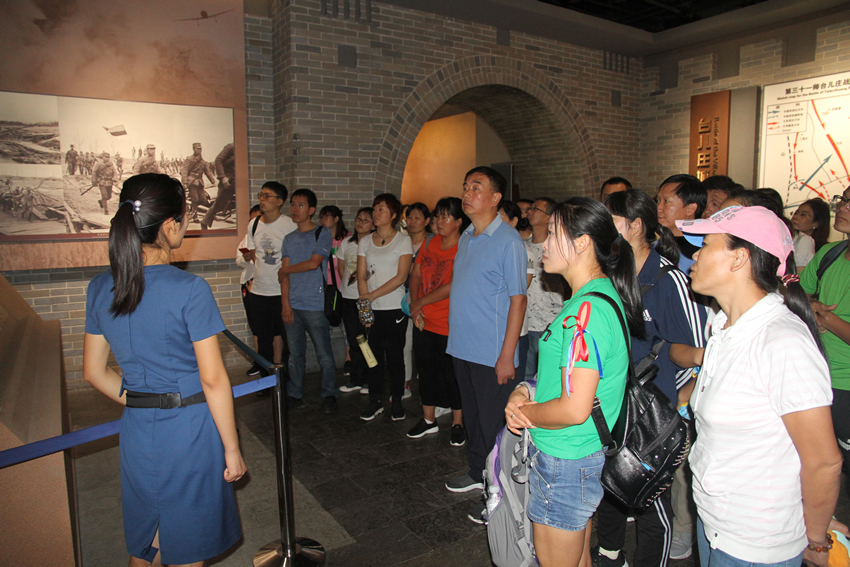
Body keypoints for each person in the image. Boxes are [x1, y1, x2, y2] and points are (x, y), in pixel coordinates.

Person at [83, 173, 246, 566]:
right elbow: (212, 379)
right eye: (185, 216)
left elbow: (93, 371)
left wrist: (140, 399)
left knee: (149, 541)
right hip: (189, 431)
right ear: (170, 225)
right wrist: (232, 448)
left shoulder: (100, 287)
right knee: (188, 546)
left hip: (138, 430)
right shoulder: (189, 289)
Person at [677, 206, 841, 566]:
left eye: (705, 245)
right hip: (715, 523)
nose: (695, 256)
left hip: (755, 542)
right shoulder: (723, 326)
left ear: (739, 258)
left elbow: (823, 461)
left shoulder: (782, 341)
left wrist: (816, 539)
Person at [505, 197, 642, 567]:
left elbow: (574, 408)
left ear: (582, 243)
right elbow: (564, 378)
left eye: (553, 234)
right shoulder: (590, 299)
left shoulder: (587, 311)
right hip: (575, 455)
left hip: (566, 457)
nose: (545, 244)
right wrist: (526, 389)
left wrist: (526, 413)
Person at [595, 189, 708, 566]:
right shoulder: (610, 273)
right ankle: (609, 554)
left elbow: (697, 348)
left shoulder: (669, 280)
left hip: (654, 410)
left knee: (650, 501)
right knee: (611, 482)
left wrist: (679, 402)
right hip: (612, 401)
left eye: (610, 220)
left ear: (635, 226)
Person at [445, 167, 527, 522]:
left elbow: (518, 300)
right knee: (475, 418)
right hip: (463, 346)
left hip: (493, 352)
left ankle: (501, 496)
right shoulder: (467, 236)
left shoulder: (508, 241)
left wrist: (507, 355)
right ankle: (478, 471)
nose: (467, 193)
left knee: (497, 426)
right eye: (465, 186)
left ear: (495, 198)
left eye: (476, 187)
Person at [406, 197, 468, 445]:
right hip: (423, 319)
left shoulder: (464, 247)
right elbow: (416, 274)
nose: (439, 222)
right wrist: (415, 305)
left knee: (451, 375)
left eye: (445, 217)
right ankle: (428, 419)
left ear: (459, 222)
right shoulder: (429, 242)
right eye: (438, 216)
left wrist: (420, 302)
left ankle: (458, 423)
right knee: (426, 372)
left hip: (448, 322)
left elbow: (453, 285)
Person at [802, 187, 850, 479]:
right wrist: (810, 306)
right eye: (843, 200)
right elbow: (798, 294)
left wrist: (826, 317)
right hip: (817, 377)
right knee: (817, 469)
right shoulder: (830, 254)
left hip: (846, 384)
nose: (842, 207)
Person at [278, 189, 338, 413]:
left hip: (316, 304)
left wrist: (286, 270)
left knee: (324, 354)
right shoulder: (288, 239)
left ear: (311, 210)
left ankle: (330, 393)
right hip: (293, 304)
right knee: (295, 355)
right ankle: (295, 391)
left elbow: (314, 263)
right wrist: (285, 304)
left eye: (301, 205)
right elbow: (284, 277)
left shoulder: (322, 233)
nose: (295, 209)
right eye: (293, 204)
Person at [358, 193, 413, 421]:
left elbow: (401, 277)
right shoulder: (364, 241)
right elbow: (361, 275)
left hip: (393, 308)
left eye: (381, 209)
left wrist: (371, 296)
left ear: (393, 215)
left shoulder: (403, 241)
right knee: (372, 356)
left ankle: (397, 400)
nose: (376, 213)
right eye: (375, 208)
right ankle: (375, 401)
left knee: (395, 356)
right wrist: (365, 306)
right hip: (371, 308)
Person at [244, 182, 296, 383]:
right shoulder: (254, 224)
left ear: (280, 201)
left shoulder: (290, 225)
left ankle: (288, 381)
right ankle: (267, 383)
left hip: (281, 292)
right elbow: (253, 253)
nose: (262, 199)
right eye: (261, 195)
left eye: (267, 196)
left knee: (288, 340)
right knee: (263, 341)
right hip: (258, 292)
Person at [524, 197, 567, 380]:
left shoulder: (557, 248)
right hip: (525, 323)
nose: (529, 212)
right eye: (530, 208)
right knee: (526, 378)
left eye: (536, 209)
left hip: (550, 322)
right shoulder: (522, 246)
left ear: (549, 217)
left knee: (548, 377)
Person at [337, 207, 374, 394]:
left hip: (365, 299)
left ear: (373, 225)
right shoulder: (347, 243)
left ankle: (369, 380)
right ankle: (356, 378)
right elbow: (341, 268)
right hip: (348, 298)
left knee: (366, 339)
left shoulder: (373, 244)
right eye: (359, 219)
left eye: (366, 220)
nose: (360, 223)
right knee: (353, 339)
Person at [499, 200, 534, 380]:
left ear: (513, 221)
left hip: (514, 329)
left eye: (500, 217)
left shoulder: (524, 250)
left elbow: (520, 289)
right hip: (494, 327)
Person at [401, 202, 432, 400]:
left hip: (427, 298)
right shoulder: (401, 241)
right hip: (403, 298)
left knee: (425, 345)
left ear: (427, 221)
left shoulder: (432, 242)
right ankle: (405, 383)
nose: (412, 221)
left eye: (417, 218)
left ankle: (428, 387)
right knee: (404, 342)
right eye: (409, 217)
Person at [656, 174, 706, 273]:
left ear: (690, 209)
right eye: (658, 201)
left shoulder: (700, 251)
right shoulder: (655, 244)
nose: (658, 208)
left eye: (666, 201)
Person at [238, 205, 263, 376]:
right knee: (255, 325)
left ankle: (275, 361)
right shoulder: (247, 238)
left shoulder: (271, 235)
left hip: (268, 285)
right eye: (252, 219)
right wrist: (246, 258)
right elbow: (238, 261)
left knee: (272, 327)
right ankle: (259, 360)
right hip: (249, 283)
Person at [201, 143, 235, 230]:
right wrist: (223, 177)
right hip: (229, 180)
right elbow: (218, 160)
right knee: (219, 204)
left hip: (239, 180)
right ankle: (204, 222)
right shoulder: (231, 147)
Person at [181, 143, 216, 223]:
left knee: (203, 200)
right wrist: (185, 182)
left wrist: (213, 181)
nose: (199, 150)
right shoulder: (189, 159)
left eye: (200, 149)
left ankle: (193, 208)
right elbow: (184, 171)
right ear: (193, 149)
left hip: (200, 183)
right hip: (192, 182)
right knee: (195, 199)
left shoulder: (203, 161)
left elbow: (207, 172)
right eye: (197, 149)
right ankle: (195, 217)